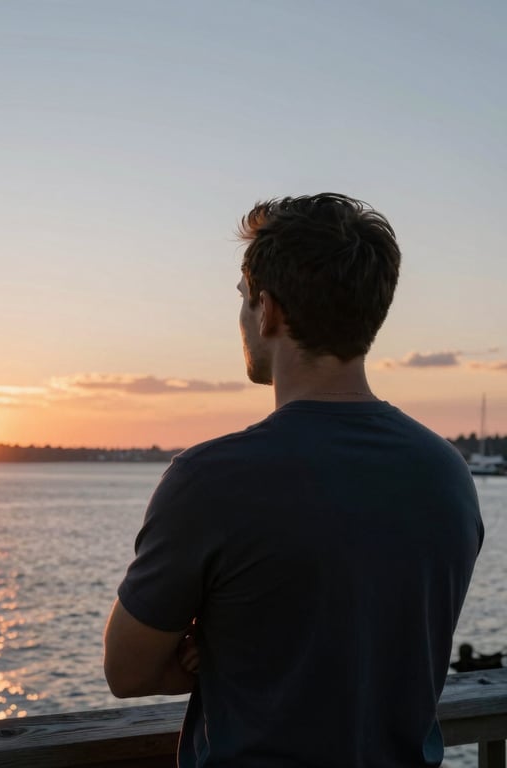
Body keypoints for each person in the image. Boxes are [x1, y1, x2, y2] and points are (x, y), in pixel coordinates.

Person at [103, 193, 484, 768]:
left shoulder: (211, 480)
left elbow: (127, 671)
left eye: (242, 300)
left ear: (270, 311)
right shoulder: (447, 472)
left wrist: (213, 645)